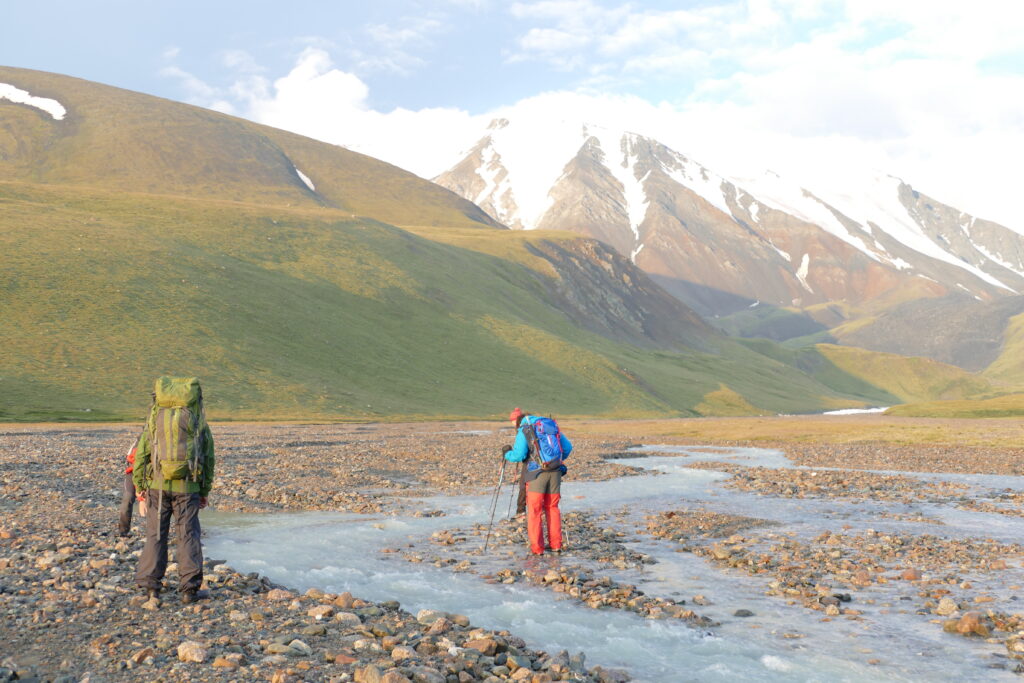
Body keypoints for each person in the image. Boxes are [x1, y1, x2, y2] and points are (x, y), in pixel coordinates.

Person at [133, 377, 215, 604]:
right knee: (188, 535)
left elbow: (142, 454)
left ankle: (151, 588)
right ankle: (189, 590)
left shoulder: (155, 419)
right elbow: (209, 458)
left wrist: (140, 487)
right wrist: (204, 489)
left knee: (155, 535)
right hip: (188, 487)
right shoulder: (197, 420)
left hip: (157, 487)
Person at [503, 410, 572, 555]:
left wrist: (507, 454)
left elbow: (519, 455)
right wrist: (554, 461)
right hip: (556, 471)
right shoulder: (550, 426)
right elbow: (567, 448)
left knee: (534, 511)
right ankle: (556, 545)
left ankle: (538, 549)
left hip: (536, 474)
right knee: (552, 508)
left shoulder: (525, 428)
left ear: (518, 422)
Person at [116, 431, 144, 537]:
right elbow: (136, 468)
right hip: (132, 472)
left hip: (151, 474)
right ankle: (123, 532)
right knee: (128, 498)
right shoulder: (138, 445)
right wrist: (140, 494)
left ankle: (154, 534)